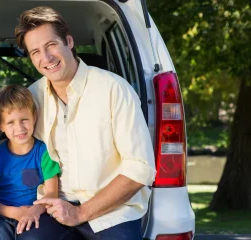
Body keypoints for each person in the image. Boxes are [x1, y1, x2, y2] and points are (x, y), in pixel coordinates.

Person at [14, 6, 157, 239]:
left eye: (51, 45)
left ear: (69, 41)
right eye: (35, 52)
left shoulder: (114, 89)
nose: (46, 58)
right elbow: (13, 130)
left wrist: (80, 213)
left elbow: (140, 168)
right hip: (55, 209)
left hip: (112, 211)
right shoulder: (32, 97)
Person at [0, 85, 61, 239]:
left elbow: (52, 193)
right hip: (2, 216)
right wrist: (13, 212)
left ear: (34, 116)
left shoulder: (44, 152)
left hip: (35, 212)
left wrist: (35, 210)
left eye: (24, 119)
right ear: (0, 125)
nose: (19, 128)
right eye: (11, 122)